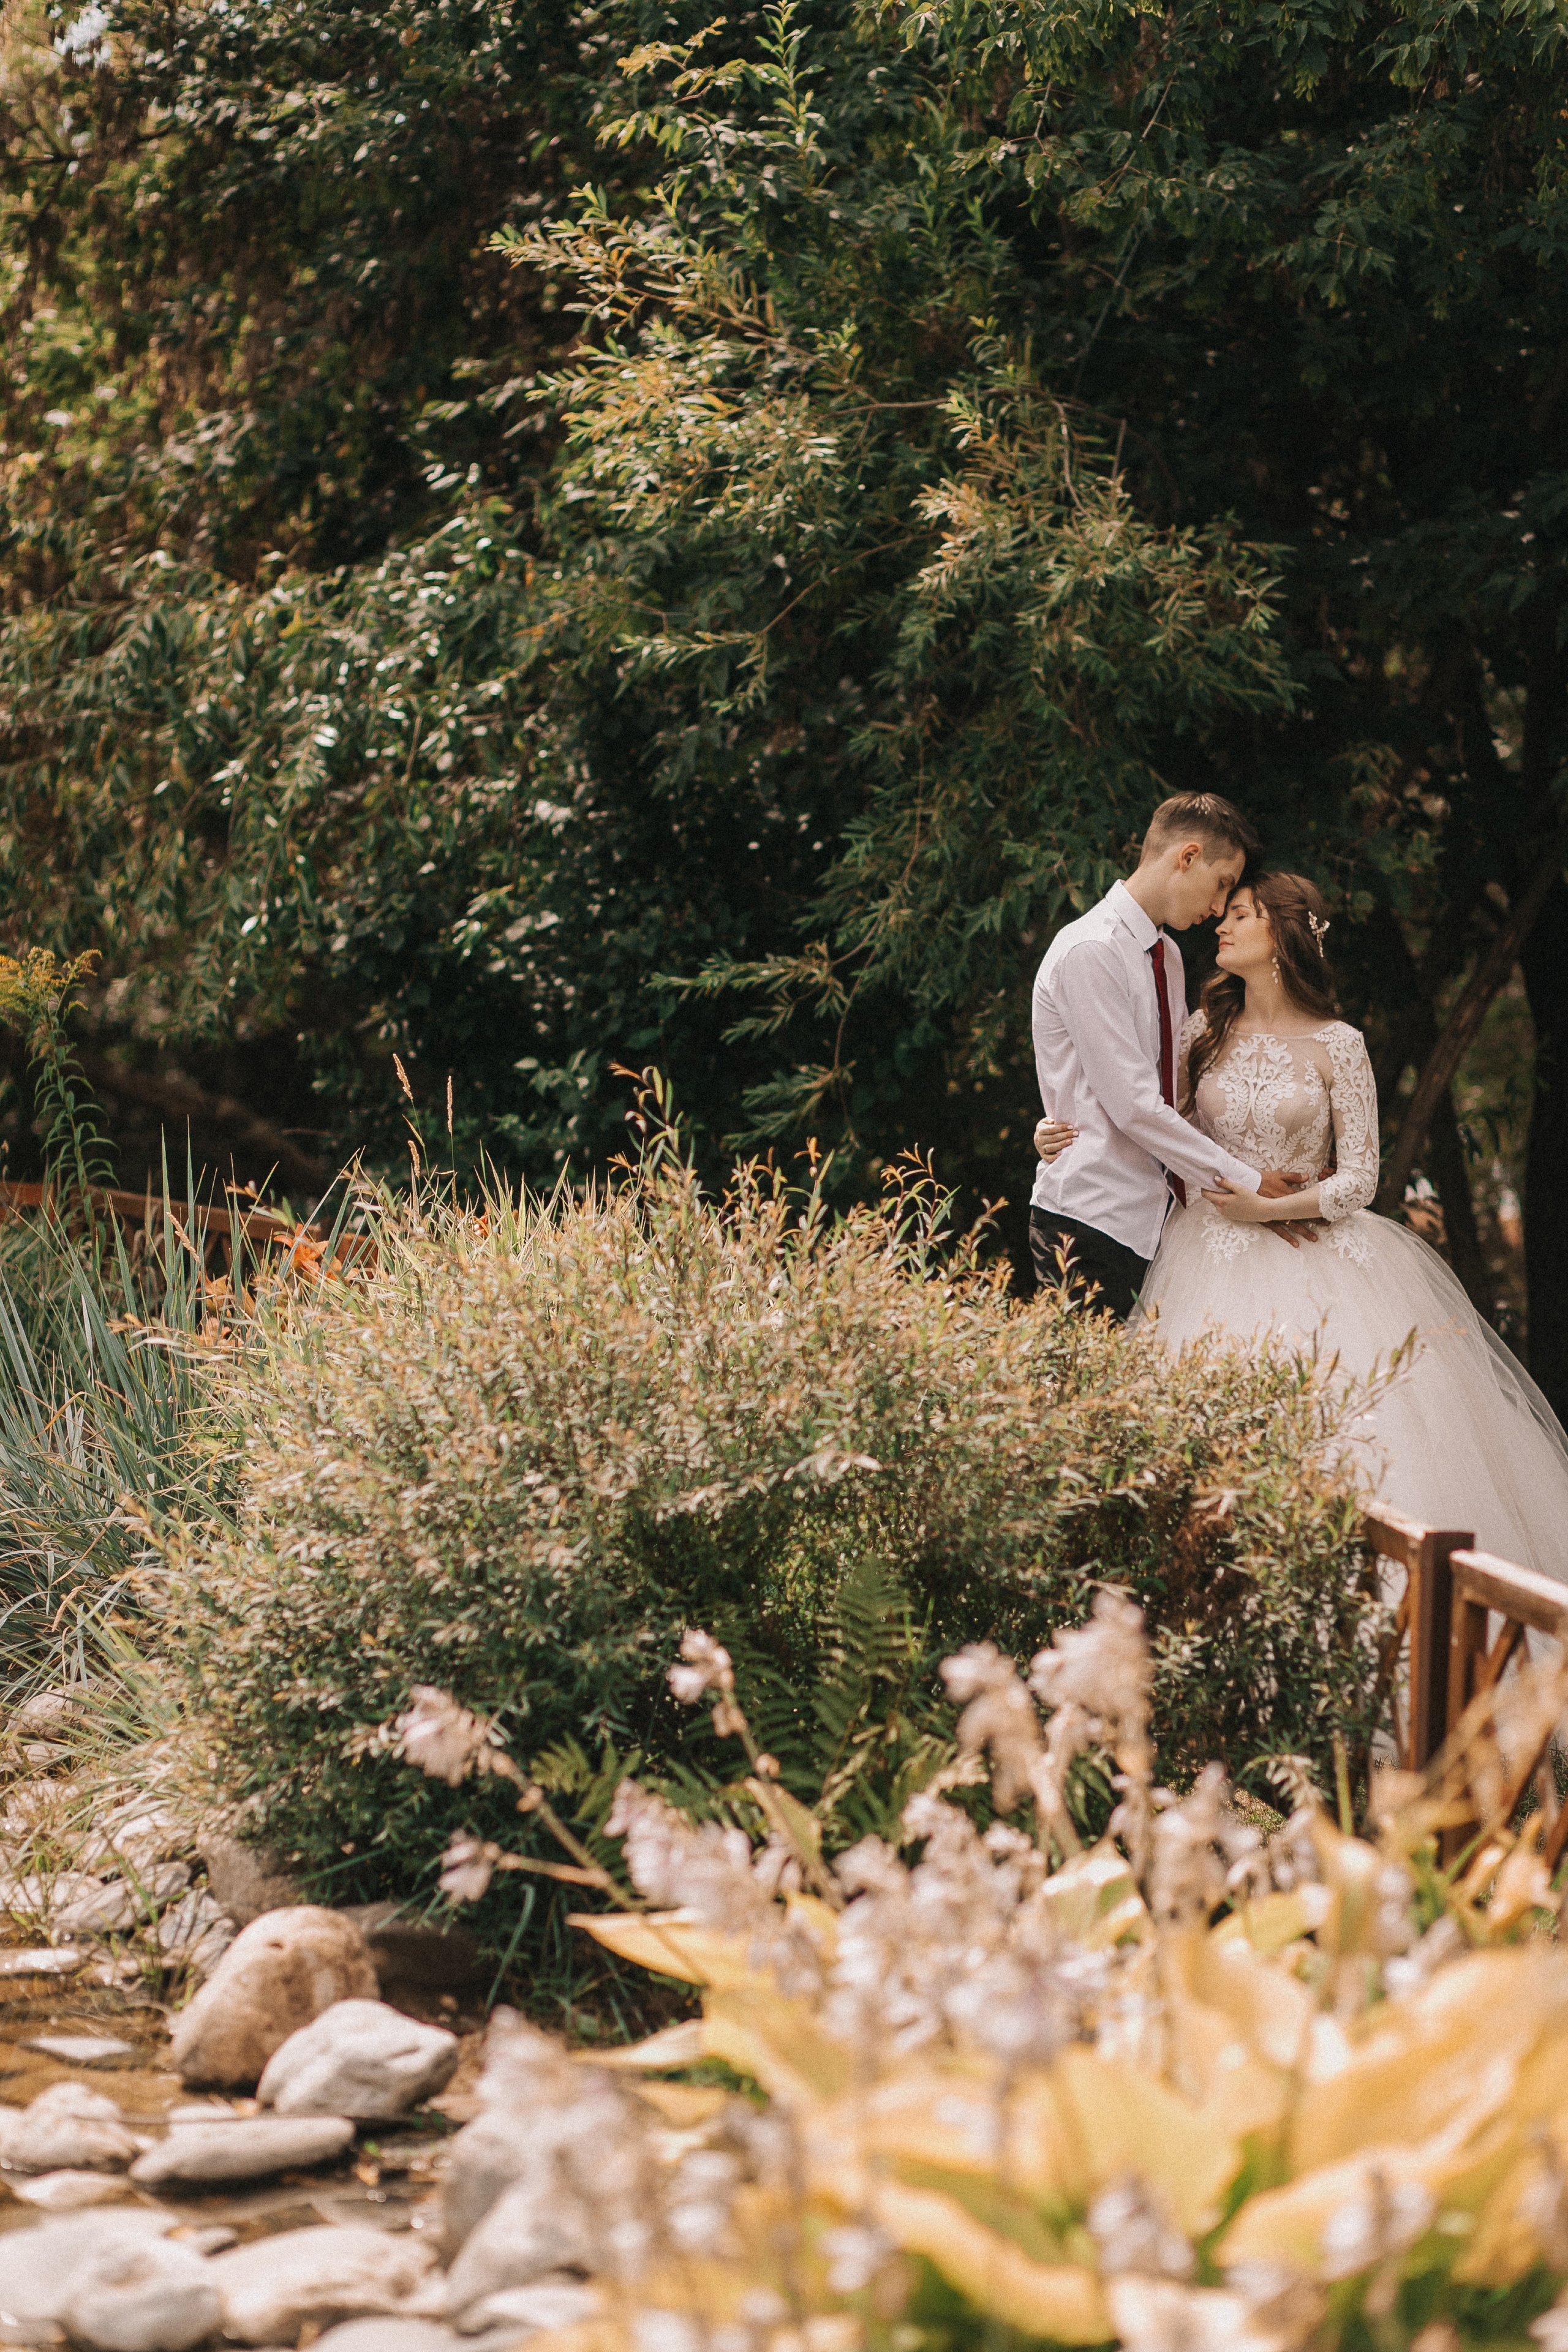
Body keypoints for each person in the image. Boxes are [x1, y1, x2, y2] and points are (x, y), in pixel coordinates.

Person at [1035, 867, 1568, 1580]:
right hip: (1205, 1257)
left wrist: (1270, 1207)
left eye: (1243, 915)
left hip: (1320, 1257)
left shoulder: (1338, 1044)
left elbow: (1361, 1178)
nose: (1221, 923)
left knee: (1354, 1437)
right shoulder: (1202, 1030)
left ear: (1283, 938)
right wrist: (1053, 1129)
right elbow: (1152, 1121)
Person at [1028, 791, 1309, 1323]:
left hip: (1159, 1224)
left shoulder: (1167, 955)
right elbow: (1133, 1104)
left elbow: (1175, 1090)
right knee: (1085, 1401)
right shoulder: (1091, 951)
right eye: (1223, 882)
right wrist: (1246, 1180)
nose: (1221, 907)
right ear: (1187, 857)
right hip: (1090, 1221)